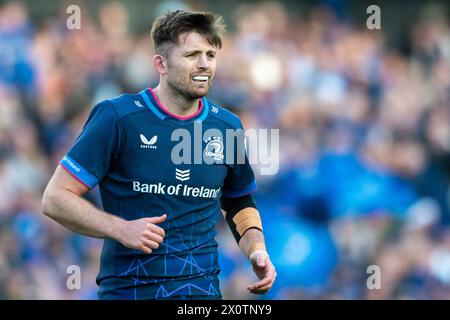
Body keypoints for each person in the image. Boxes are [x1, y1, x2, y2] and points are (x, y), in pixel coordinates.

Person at [41, 9, 276, 300]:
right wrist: (120, 229)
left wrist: (256, 250)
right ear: (160, 64)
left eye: (211, 55)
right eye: (192, 55)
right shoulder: (118, 117)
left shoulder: (227, 126)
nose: (204, 65)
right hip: (129, 292)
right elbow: (55, 198)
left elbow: (238, 200)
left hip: (200, 294)